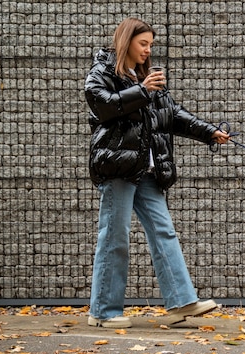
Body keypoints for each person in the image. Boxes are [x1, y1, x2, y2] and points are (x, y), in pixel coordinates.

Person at [84, 17, 230, 328]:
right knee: (114, 237)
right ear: (126, 41)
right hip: (119, 167)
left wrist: (209, 132)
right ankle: (103, 313)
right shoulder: (102, 73)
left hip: (149, 169)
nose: (148, 50)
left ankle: (181, 302)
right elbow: (105, 107)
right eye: (143, 43)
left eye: (151, 44)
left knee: (164, 232)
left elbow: (172, 115)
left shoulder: (147, 77)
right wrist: (141, 90)